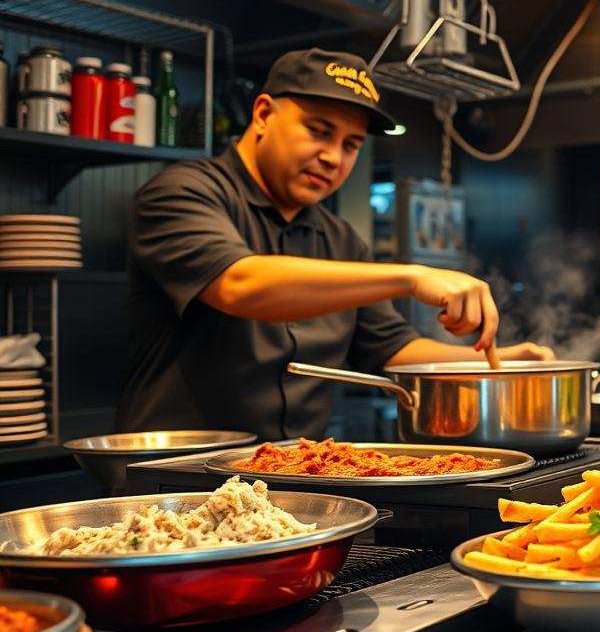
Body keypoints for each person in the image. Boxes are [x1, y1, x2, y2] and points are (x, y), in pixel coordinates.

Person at [117, 48, 553, 440]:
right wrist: (412, 277)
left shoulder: (340, 239)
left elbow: (394, 350)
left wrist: (503, 363)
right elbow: (239, 284)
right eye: (318, 131)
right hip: (176, 477)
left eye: (350, 145)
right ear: (263, 114)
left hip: (291, 476)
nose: (333, 157)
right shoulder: (181, 193)